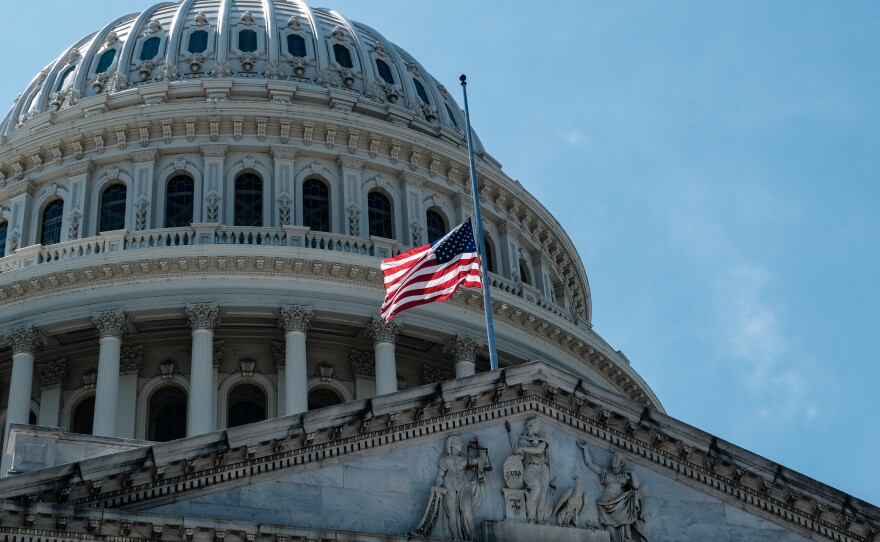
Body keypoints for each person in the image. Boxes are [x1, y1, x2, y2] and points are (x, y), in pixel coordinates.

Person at [577, 440, 648, 542]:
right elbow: (590, 464)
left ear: (621, 462)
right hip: (606, 504)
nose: (613, 460)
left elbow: (636, 485)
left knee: (624, 524)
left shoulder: (625, 476)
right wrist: (586, 448)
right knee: (610, 530)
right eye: (613, 458)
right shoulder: (605, 473)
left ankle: (626, 539)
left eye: (616, 458)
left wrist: (632, 473)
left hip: (620, 504)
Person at [435, 435, 481, 540]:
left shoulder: (464, 459)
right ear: (451, 444)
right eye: (459, 441)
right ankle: (456, 538)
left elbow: (479, 461)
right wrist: (437, 485)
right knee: (452, 514)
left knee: (467, 510)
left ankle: (473, 536)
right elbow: (440, 475)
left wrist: (478, 447)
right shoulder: (445, 460)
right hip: (449, 483)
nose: (461, 444)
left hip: (464, 484)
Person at [514, 418, 552, 523]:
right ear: (530, 426)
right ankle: (531, 517)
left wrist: (522, 449)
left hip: (543, 468)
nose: (539, 428)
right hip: (529, 467)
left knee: (544, 492)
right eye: (536, 426)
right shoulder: (522, 440)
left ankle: (540, 520)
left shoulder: (542, 439)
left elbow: (539, 450)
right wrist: (517, 455)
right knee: (536, 488)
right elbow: (521, 457)